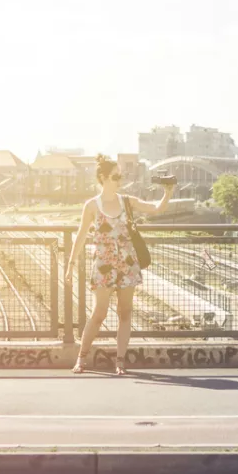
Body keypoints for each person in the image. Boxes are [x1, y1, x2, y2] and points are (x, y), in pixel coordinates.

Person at [65, 154, 176, 375]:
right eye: (116, 176)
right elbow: (80, 235)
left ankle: (121, 361)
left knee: (125, 312)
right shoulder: (92, 206)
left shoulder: (127, 201)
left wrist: (168, 192)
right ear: (103, 177)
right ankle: (81, 358)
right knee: (99, 312)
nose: (120, 180)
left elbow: (155, 209)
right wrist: (70, 263)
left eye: (121, 176)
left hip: (127, 264)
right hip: (104, 265)